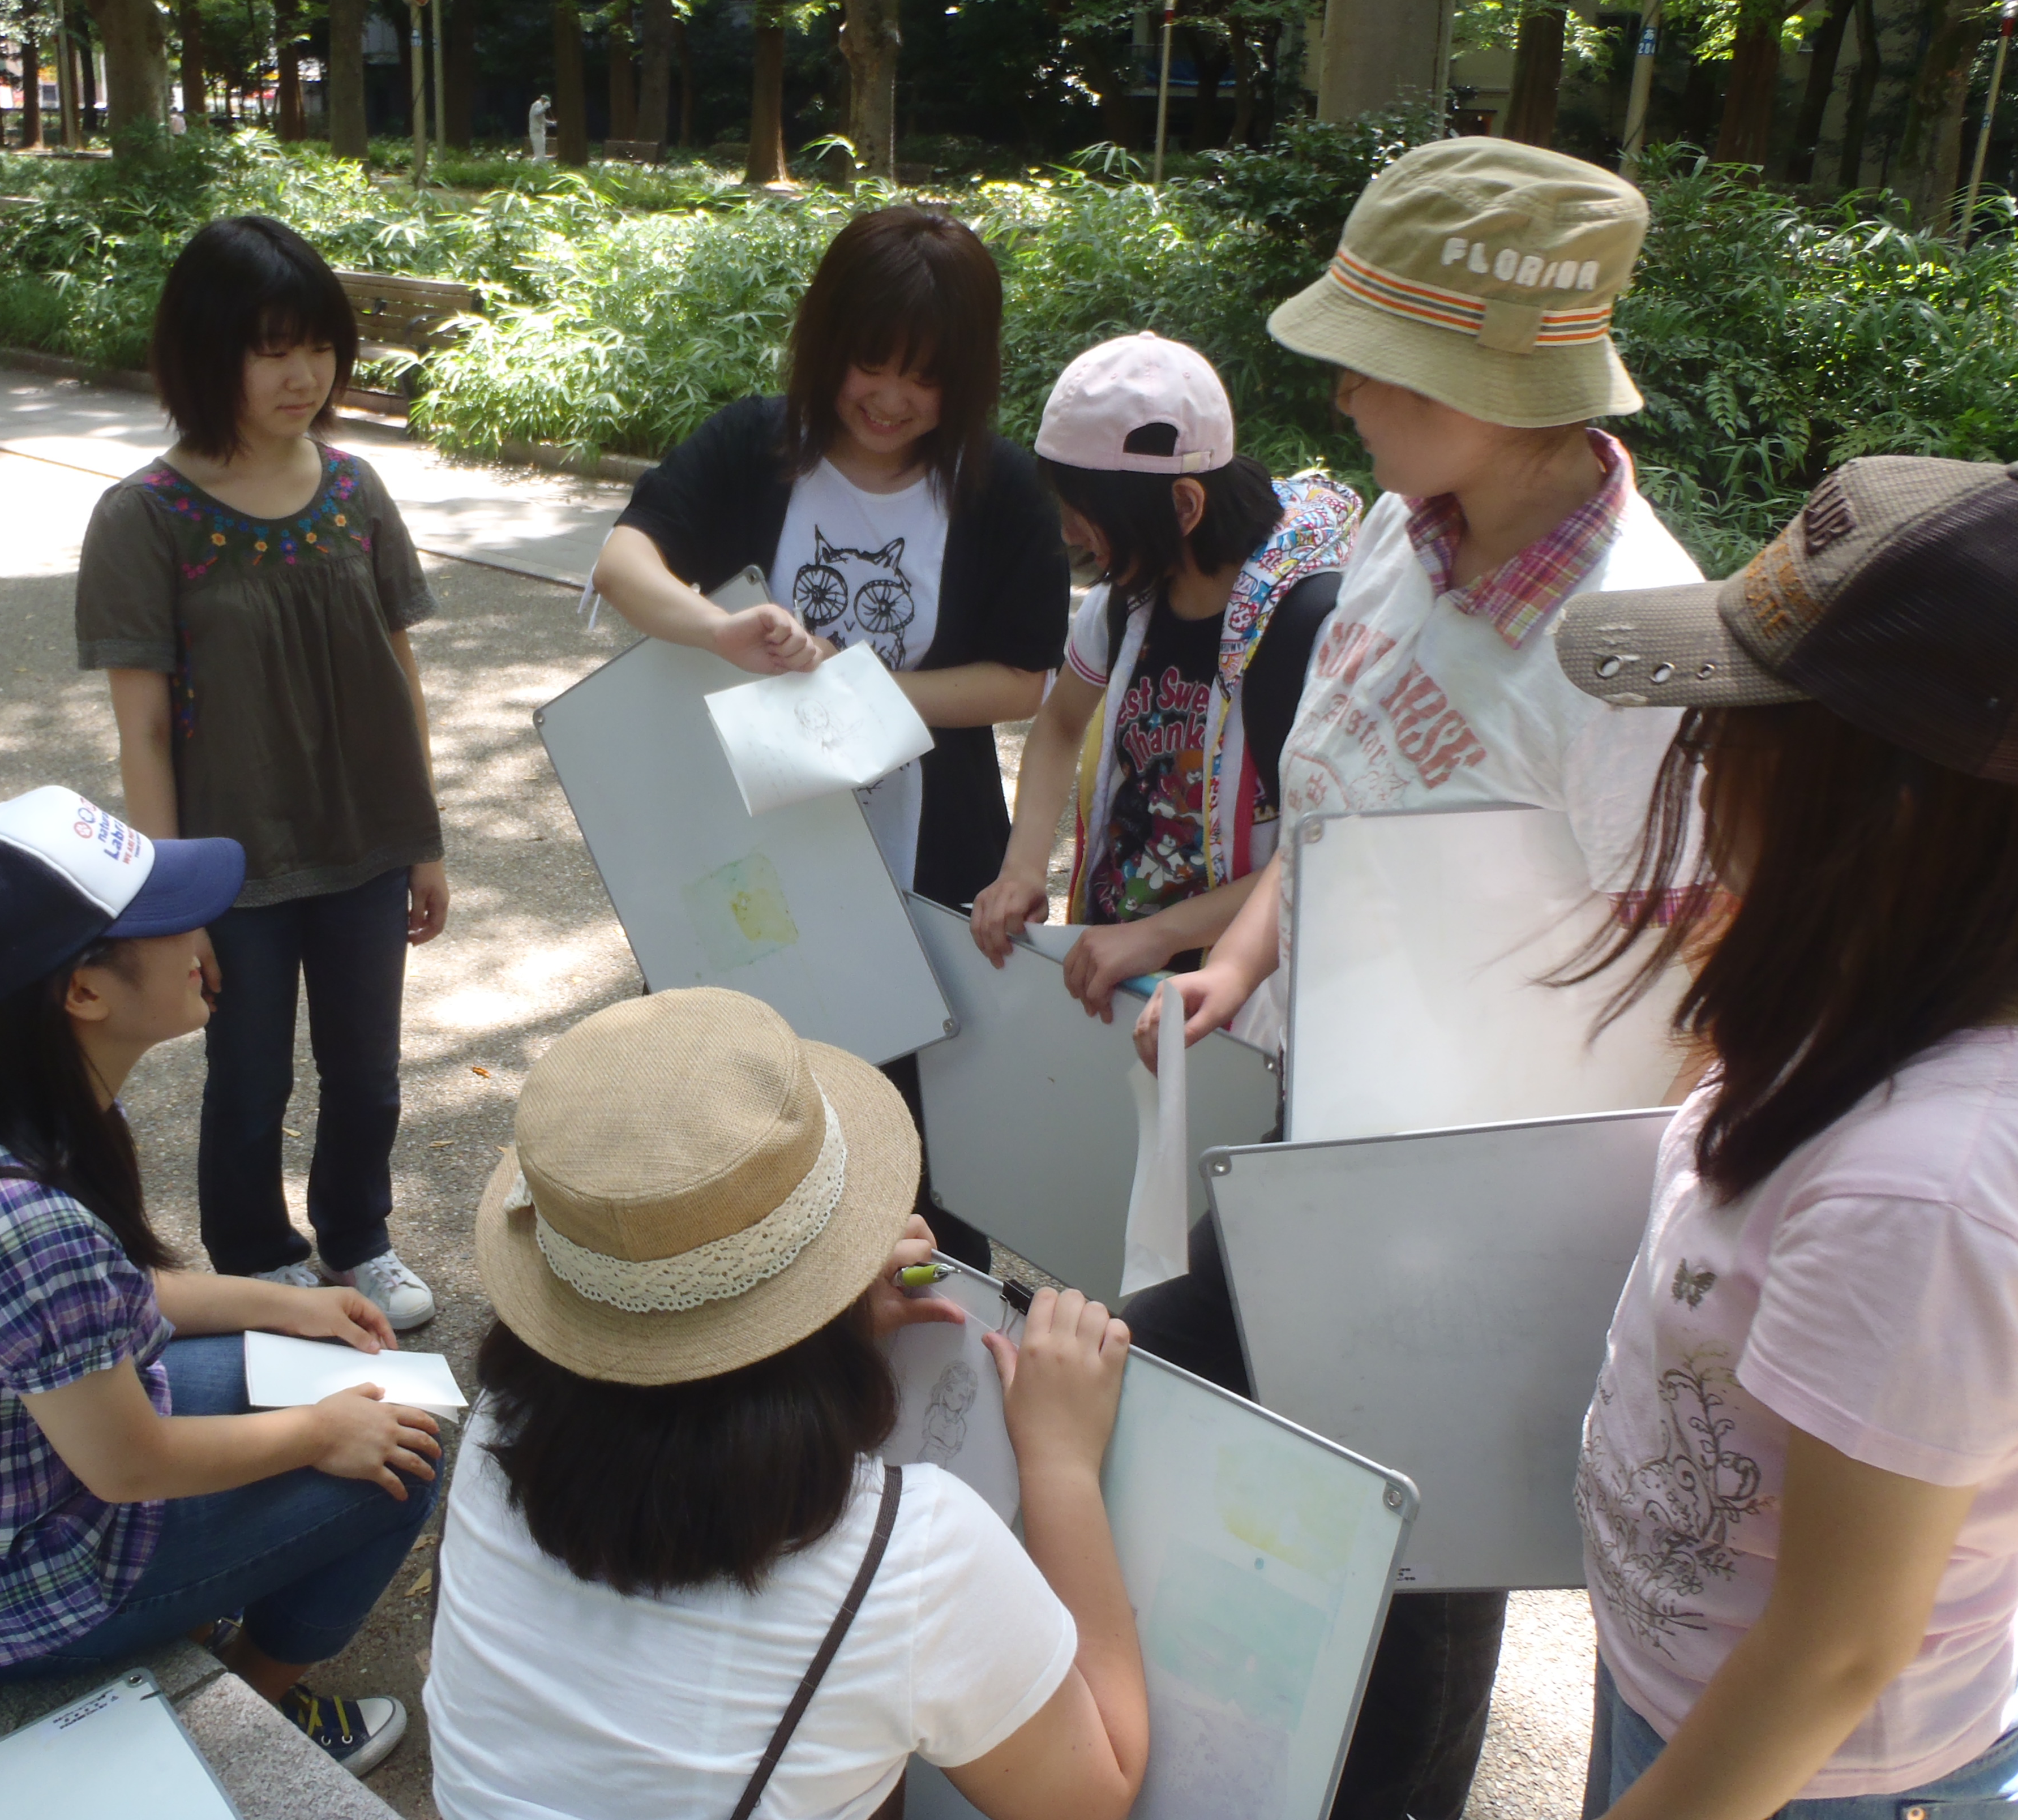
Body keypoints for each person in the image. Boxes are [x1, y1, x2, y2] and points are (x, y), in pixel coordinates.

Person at [1128, 140, 1705, 1819]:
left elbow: (1677, 1003)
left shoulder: (1640, 643)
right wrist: (1239, 955)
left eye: (1385, 367)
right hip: (1330, 1118)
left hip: (1482, 1188)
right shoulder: (1397, 522)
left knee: (1404, 1571)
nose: (1346, 394)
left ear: (1509, 392)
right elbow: (1338, 804)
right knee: (1214, 1445)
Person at [1548, 454, 2018, 1819]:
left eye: (1736, 732)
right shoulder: (1872, 998)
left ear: (1884, 807)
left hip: (1805, 1773)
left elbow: (1835, 1647)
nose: (1704, 764)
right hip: (1700, 1699)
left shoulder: (1925, 1190)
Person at [0, 787, 440, 1776]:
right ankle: (246, 1717)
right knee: (399, 1461)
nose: (204, 931)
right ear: (84, 991)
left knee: (299, 1366)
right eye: (161, 919)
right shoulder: (23, 1223)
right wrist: (324, 1434)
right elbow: (129, 1465)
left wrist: (289, 1302)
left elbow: (109, 1299)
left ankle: (218, 1596)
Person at [424, 988, 1149, 1820]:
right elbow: (1097, 1794)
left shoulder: (501, 1421)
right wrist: (1059, 1465)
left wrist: (796, 1325)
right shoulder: (913, 1557)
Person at [589, 204, 1073, 1272]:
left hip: (921, 860)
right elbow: (625, 566)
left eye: (927, 377)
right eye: (870, 364)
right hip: (743, 851)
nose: (893, 400)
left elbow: (1024, 679)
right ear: (826, 342)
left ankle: (926, 1360)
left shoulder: (996, 490)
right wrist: (720, 629)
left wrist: (859, 697)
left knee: (923, 1146)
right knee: (734, 1103)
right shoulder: (752, 446)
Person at [76, 214, 446, 1330]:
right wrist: (168, 895)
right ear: (207, 352)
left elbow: (399, 666)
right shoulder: (146, 517)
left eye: (319, 346)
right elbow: (141, 730)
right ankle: (251, 1250)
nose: (304, 374)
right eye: (270, 348)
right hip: (230, 863)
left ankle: (358, 1234)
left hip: (365, 843)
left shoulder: (355, 491)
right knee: (247, 1080)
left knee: (366, 1072)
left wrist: (423, 840)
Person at [969, 332, 1358, 1017]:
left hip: (1240, 993)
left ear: (1184, 506)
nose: (1068, 535)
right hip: (1122, 960)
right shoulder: (1129, 598)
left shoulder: (1311, 631)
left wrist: (1157, 935)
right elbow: (1061, 723)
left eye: (1085, 514)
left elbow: (1321, 851)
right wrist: (1024, 866)